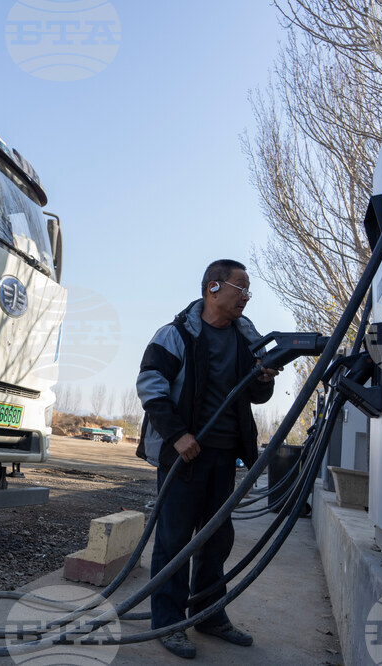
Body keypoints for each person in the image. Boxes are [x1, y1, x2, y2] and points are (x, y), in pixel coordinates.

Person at [135, 259, 277, 659]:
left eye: (248, 291)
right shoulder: (177, 334)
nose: (245, 298)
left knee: (217, 538)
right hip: (185, 454)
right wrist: (177, 435)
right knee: (175, 539)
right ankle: (167, 622)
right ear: (213, 288)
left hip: (224, 454)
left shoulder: (246, 339)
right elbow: (150, 385)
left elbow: (257, 396)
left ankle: (208, 615)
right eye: (241, 288)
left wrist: (264, 379)